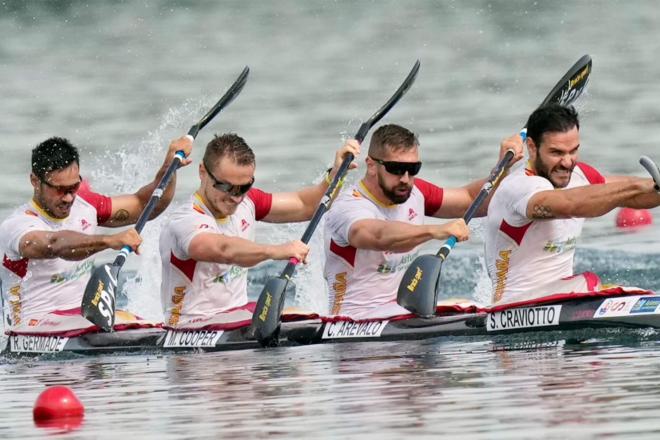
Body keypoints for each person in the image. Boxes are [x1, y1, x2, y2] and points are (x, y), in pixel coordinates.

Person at [323, 123, 524, 319]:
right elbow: (377, 235)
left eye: (413, 168)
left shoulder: (415, 192)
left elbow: (472, 200)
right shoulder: (347, 206)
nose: (405, 178)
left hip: (402, 312)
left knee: (467, 304)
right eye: (396, 168)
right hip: (353, 323)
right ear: (371, 165)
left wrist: (501, 169)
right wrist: (434, 231)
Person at [160, 133, 359, 326]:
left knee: (305, 317)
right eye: (226, 186)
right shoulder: (186, 219)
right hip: (190, 326)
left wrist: (336, 174)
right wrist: (274, 251)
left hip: (237, 317)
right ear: (202, 172)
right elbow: (223, 249)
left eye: (244, 187)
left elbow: (309, 205)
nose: (236, 197)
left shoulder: (249, 202)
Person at [0, 135, 193, 326]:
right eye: (59, 189)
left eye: (74, 187)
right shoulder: (18, 225)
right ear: (35, 180)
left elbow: (145, 204)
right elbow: (54, 244)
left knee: (151, 325)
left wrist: (169, 167)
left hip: (84, 318)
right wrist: (108, 241)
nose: (68, 198)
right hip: (32, 325)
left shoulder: (86, 206)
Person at [484, 104, 660, 303]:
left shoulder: (580, 175)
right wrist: (638, 186)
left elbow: (634, 195)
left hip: (563, 296)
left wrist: (655, 187)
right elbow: (570, 204)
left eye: (573, 151)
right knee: (587, 282)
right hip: (512, 306)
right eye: (557, 153)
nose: (568, 162)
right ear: (532, 147)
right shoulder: (519, 187)